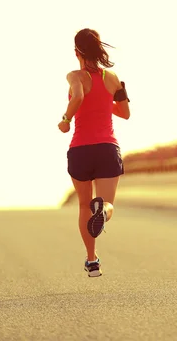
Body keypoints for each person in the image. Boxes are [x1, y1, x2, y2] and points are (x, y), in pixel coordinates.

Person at [58, 28, 131, 277]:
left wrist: (66, 119)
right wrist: (103, 103)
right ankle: (104, 212)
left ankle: (92, 261)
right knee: (108, 203)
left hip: (80, 149)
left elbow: (78, 96)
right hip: (107, 148)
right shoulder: (112, 78)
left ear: (76, 51)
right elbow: (125, 113)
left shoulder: (74, 75)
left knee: (82, 207)